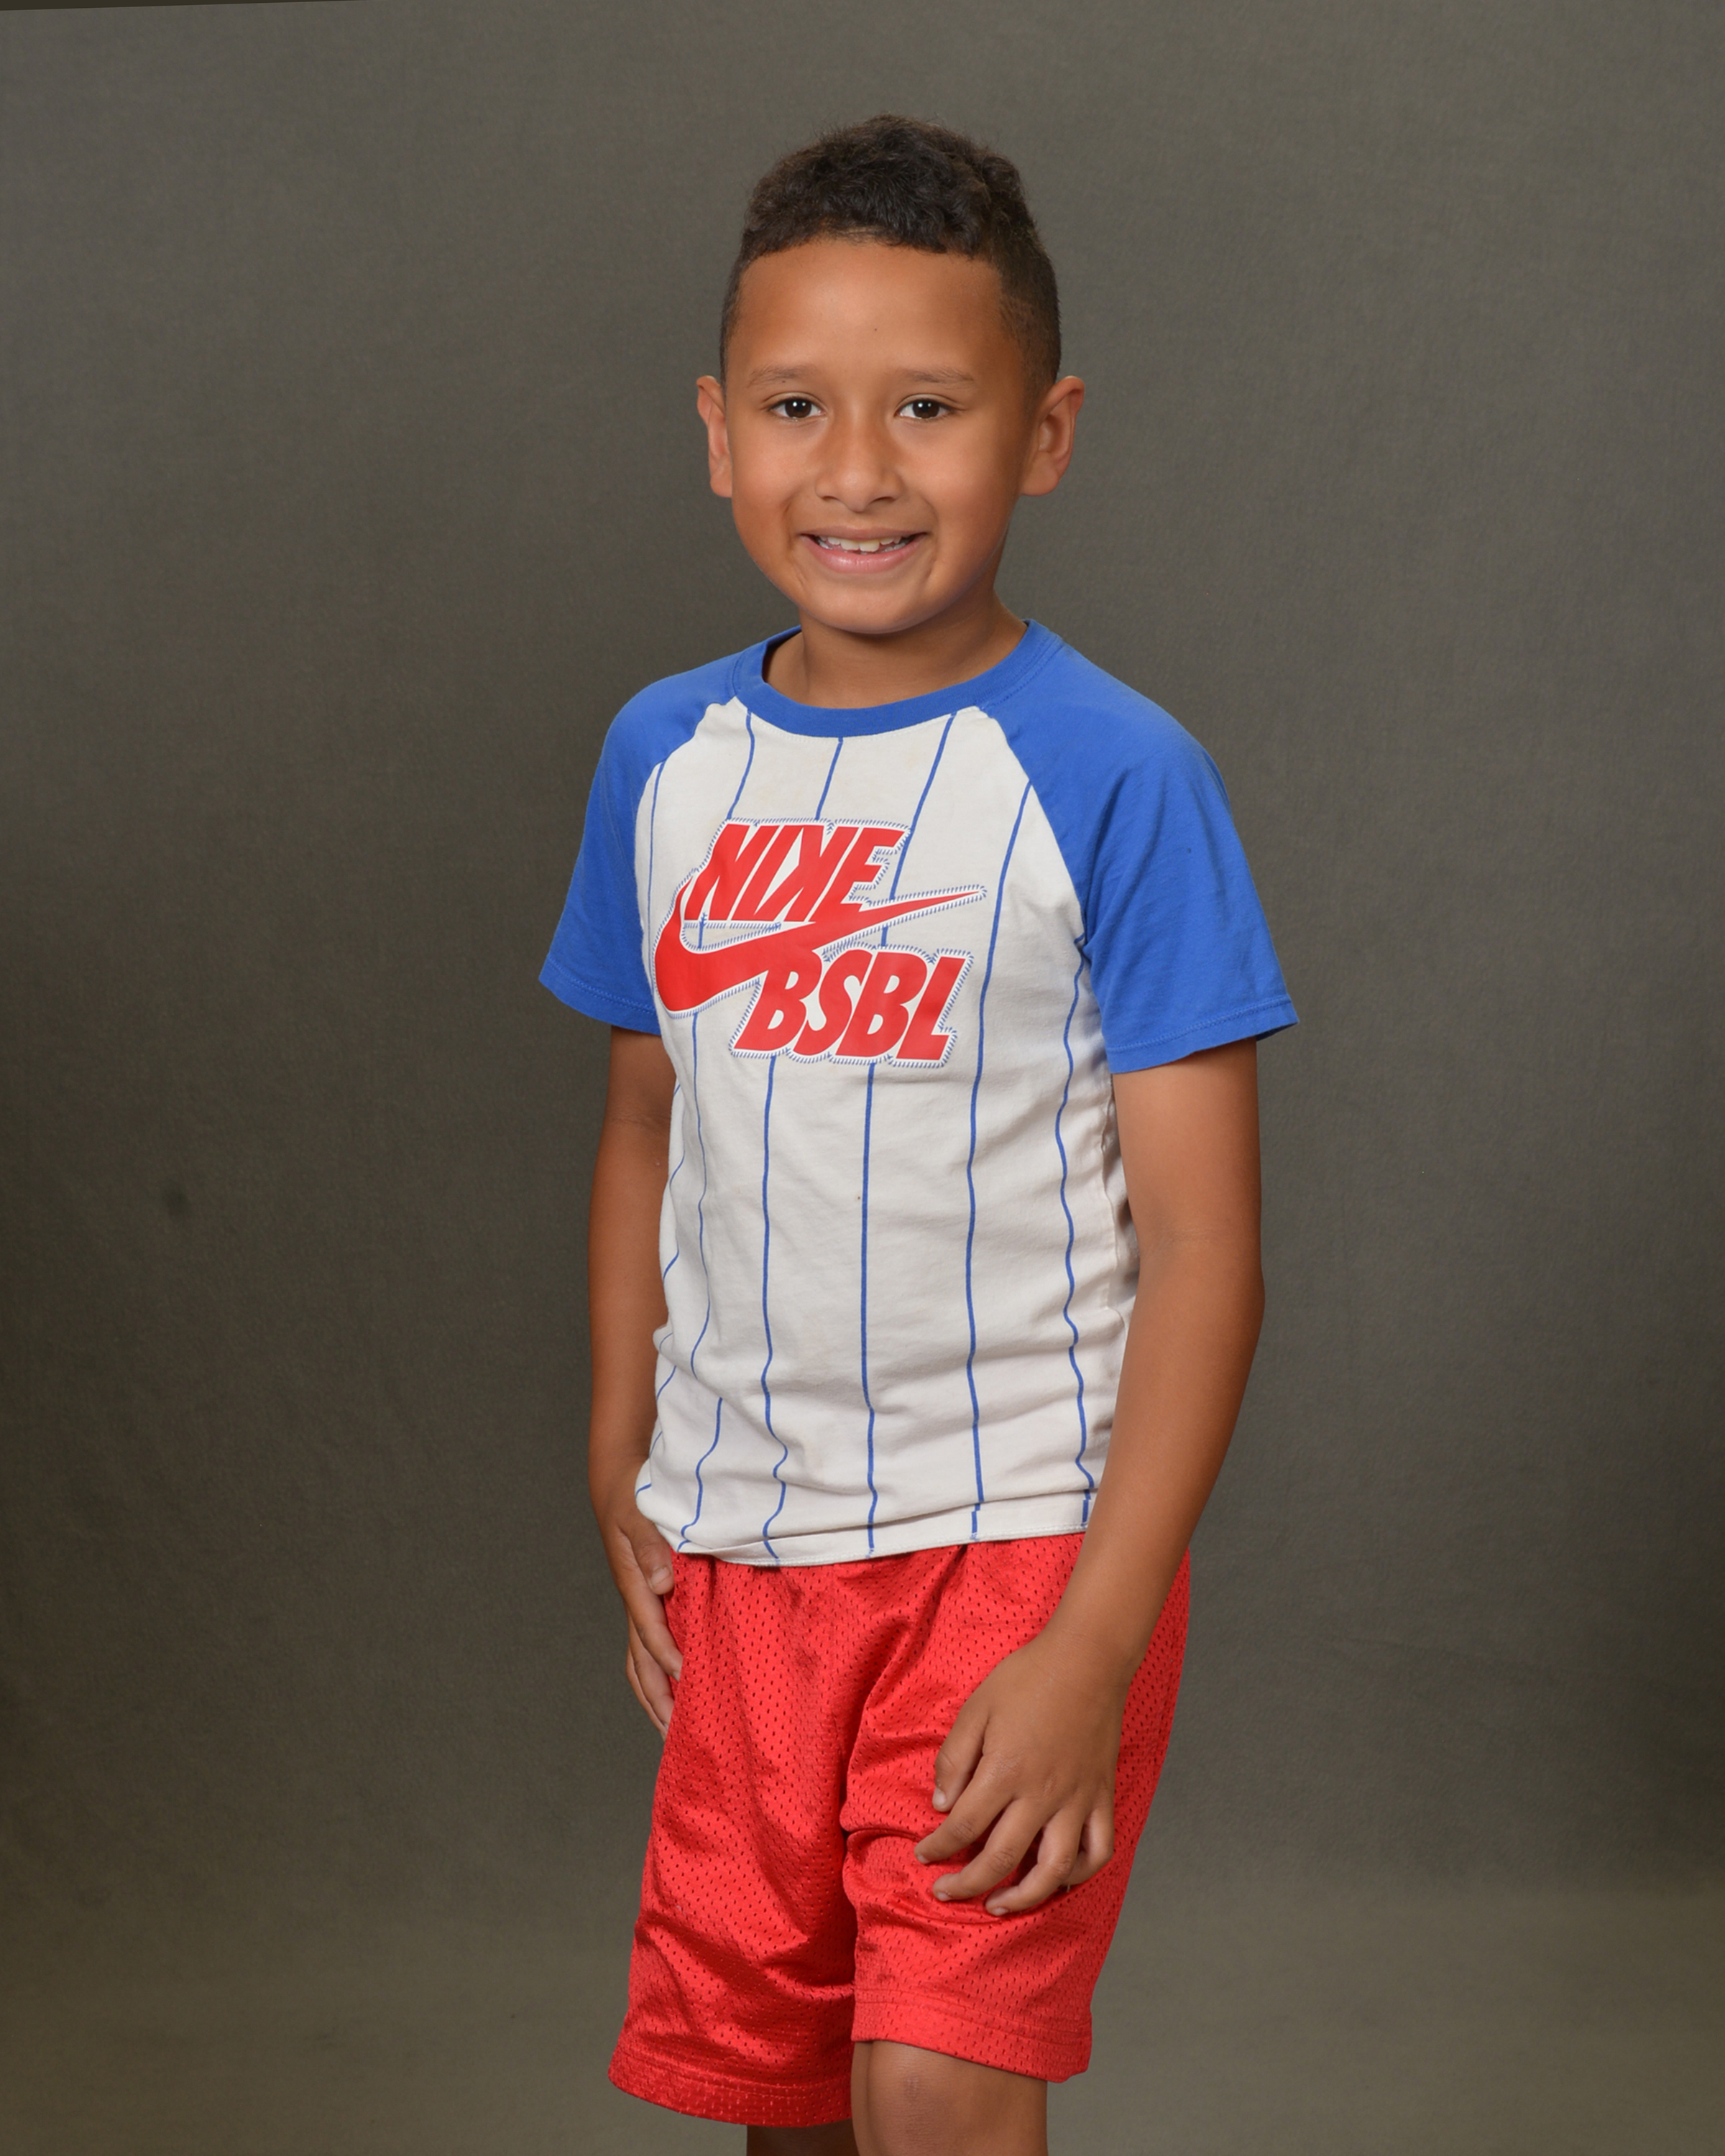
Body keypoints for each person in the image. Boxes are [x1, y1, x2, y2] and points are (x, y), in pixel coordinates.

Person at [541, 114, 1296, 2156]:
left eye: (930, 408)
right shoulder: (664, 758)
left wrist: (1098, 1636)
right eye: (799, 405)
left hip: (1019, 1542)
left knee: (938, 2082)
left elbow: (1207, 1248)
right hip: (747, 1544)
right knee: (789, 2097)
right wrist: (618, 1445)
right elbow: (644, 1122)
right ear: (718, 432)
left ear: (1043, 436)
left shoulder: (1117, 774)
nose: (858, 468)